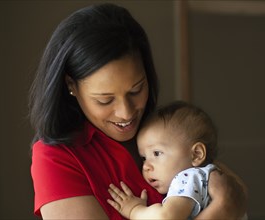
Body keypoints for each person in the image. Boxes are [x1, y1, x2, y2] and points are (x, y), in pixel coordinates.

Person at [29, 3, 247, 219]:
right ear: (70, 85)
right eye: (105, 100)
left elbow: (231, 188)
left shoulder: (164, 129)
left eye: (136, 90)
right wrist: (223, 209)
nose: (126, 113)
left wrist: (230, 200)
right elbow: (228, 200)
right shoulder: (56, 158)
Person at [107, 101, 222, 219]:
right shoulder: (209, 176)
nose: (146, 166)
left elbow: (165, 217)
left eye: (157, 153)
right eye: (144, 158)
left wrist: (134, 210)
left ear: (196, 154)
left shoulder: (188, 177)